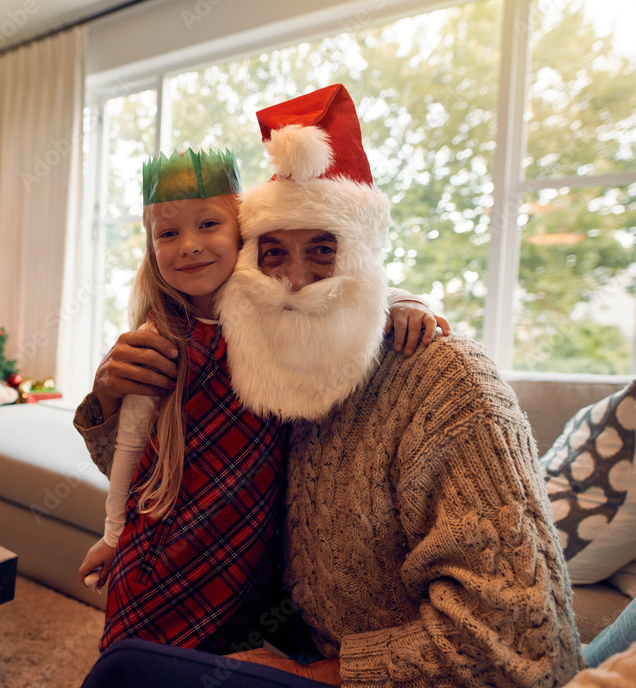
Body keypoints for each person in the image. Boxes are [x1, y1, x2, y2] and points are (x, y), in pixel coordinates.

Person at [76, 84, 584, 686]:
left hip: (365, 671)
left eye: (324, 249)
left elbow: (516, 641)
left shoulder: (448, 383)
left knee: (127, 675)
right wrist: (107, 399)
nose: (295, 281)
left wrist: (323, 672)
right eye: (272, 253)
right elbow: (163, 475)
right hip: (281, 632)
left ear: (366, 256)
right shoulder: (267, 361)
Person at [78, 146, 450, 656]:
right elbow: (129, 448)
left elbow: (346, 292)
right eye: (167, 233)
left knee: (221, 659)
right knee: (137, 661)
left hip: (249, 548)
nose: (188, 247)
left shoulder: (270, 311)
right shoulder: (158, 339)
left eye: (208, 225)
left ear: (242, 236)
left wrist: (405, 300)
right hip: (161, 544)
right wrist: (112, 535)